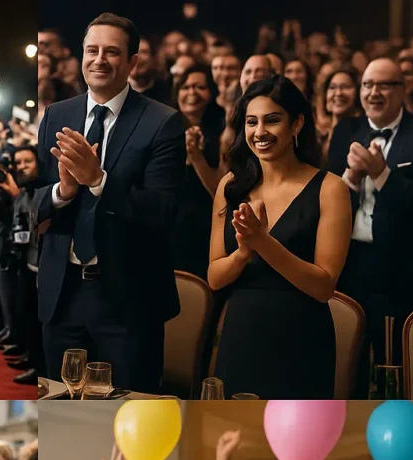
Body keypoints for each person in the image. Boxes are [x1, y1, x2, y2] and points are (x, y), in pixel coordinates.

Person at [33, 14, 185, 394]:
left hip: (128, 300)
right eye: (92, 50)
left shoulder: (162, 122)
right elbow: (31, 198)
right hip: (62, 293)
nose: (99, 60)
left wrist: (98, 180)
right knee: (61, 411)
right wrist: (62, 192)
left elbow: (162, 213)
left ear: (133, 62)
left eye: (112, 52)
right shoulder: (57, 114)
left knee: (128, 414)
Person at [209, 76, 352, 399]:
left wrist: (263, 243)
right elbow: (215, 277)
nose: (260, 132)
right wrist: (243, 253)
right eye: (251, 122)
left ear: (296, 124)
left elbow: (323, 286)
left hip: (301, 337)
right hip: (240, 333)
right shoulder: (230, 186)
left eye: (272, 120)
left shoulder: (330, 188)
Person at [325, 58, 413, 397]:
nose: (374, 92)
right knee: (347, 358)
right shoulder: (346, 130)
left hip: (399, 268)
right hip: (350, 260)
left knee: (394, 363)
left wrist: (382, 174)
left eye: (385, 85)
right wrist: (352, 178)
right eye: (367, 85)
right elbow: (328, 199)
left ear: (402, 89)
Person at [174, 65, 226, 281]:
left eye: (200, 87)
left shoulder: (224, 132)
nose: (192, 93)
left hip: (206, 227)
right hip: (171, 226)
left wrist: (196, 157)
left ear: (211, 94)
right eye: (186, 87)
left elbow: (220, 192)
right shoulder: (164, 128)